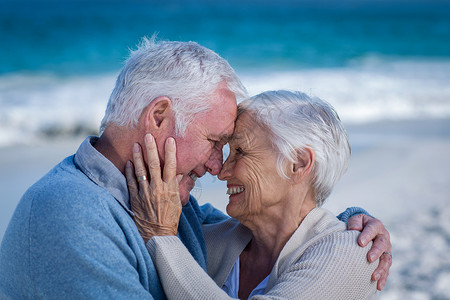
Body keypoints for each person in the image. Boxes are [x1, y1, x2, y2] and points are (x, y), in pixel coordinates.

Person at [0, 38, 391, 299]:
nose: (216, 167)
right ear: (158, 116)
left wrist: (353, 224)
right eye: (216, 142)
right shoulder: (70, 214)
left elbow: (294, 226)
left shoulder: (169, 205)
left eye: (232, 149)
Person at [126, 90, 388, 299]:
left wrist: (161, 236)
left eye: (240, 152)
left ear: (297, 164)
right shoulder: (210, 236)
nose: (221, 171)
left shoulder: (356, 252)